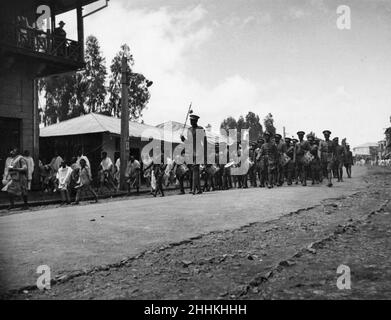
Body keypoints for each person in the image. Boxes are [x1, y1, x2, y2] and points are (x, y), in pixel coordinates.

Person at [180, 114, 207, 195]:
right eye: (190, 121)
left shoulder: (201, 129)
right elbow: (189, 143)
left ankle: (193, 189)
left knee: (195, 169)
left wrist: (205, 153)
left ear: (196, 121)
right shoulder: (189, 130)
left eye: (192, 120)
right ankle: (199, 189)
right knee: (195, 171)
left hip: (199, 151)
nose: (191, 122)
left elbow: (204, 142)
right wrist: (183, 139)